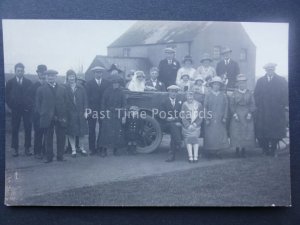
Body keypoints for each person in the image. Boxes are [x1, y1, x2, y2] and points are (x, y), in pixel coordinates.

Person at [254, 63, 288, 156]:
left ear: (274, 70)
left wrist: (281, 105)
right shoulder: (260, 81)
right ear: (265, 70)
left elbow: (285, 95)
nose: (270, 71)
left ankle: (273, 150)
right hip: (263, 111)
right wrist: (259, 105)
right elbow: (256, 95)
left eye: (271, 69)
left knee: (275, 132)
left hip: (276, 111)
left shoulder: (281, 80)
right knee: (262, 132)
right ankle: (265, 150)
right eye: (268, 70)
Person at [36, 69, 68, 163]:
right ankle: (49, 157)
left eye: (53, 76)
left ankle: (60, 156)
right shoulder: (41, 89)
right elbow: (38, 104)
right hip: (47, 117)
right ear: (46, 77)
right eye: (49, 76)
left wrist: (63, 113)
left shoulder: (62, 89)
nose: (51, 78)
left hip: (60, 117)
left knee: (61, 137)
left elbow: (66, 102)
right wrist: (42, 113)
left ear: (56, 77)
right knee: (48, 137)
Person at [5, 63, 33, 157]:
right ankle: (15, 149)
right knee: (15, 128)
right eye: (18, 70)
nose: (20, 72)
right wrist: (11, 106)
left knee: (28, 128)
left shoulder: (28, 82)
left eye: (21, 70)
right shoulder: (10, 82)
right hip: (15, 109)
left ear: (24, 71)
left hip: (26, 110)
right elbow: (6, 96)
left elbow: (32, 96)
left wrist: (29, 106)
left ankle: (27, 148)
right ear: (15, 71)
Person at [98, 74, 127, 156]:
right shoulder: (107, 91)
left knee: (117, 132)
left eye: (117, 83)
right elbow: (103, 103)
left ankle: (116, 149)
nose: (116, 84)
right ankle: (104, 150)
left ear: (119, 83)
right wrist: (103, 113)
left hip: (118, 114)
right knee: (105, 132)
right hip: (108, 113)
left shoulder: (121, 92)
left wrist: (123, 116)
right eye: (114, 83)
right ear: (112, 83)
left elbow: (124, 104)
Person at [86, 66, 110, 156]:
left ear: (102, 73)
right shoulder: (89, 84)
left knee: (103, 129)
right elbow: (87, 98)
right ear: (94, 73)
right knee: (91, 130)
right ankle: (92, 149)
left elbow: (108, 97)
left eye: (100, 72)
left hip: (103, 110)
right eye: (96, 72)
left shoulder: (107, 83)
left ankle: (101, 147)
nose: (98, 74)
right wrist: (88, 110)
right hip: (92, 110)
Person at [229, 74, 256, 157]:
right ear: (238, 84)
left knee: (246, 131)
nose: (242, 85)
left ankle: (244, 150)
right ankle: (237, 150)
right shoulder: (234, 93)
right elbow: (232, 105)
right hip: (237, 114)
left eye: (243, 83)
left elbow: (252, 104)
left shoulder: (249, 93)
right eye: (240, 83)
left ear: (245, 84)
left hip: (246, 114)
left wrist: (250, 113)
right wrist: (234, 114)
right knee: (236, 132)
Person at [203, 76, 230, 157]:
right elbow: (205, 107)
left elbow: (226, 107)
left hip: (220, 118)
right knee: (210, 135)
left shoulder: (223, 95)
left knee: (219, 134)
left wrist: (225, 117)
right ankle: (210, 152)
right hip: (210, 118)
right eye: (215, 84)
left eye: (218, 85)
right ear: (212, 85)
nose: (216, 86)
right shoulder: (208, 95)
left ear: (220, 86)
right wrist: (206, 118)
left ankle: (218, 152)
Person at [65, 70, 89, 157]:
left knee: (81, 132)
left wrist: (86, 111)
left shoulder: (81, 87)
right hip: (70, 114)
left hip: (80, 113)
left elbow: (85, 100)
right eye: (69, 76)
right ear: (67, 77)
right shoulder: (65, 87)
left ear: (75, 77)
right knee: (71, 132)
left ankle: (82, 148)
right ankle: (73, 150)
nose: (71, 78)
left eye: (73, 76)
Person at [28, 64, 47, 159]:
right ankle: (37, 152)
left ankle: (45, 150)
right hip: (37, 114)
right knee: (38, 132)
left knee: (46, 132)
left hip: (47, 113)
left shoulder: (48, 85)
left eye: (44, 72)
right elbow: (30, 99)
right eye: (40, 72)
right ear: (38, 73)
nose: (42, 74)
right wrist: (36, 108)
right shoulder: (34, 85)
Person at [160, 85, 183, 162]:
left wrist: (178, 120)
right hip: (166, 124)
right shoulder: (164, 101)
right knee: (173, 126)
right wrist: (167, 118)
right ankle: (179, 142)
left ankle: (171, 155)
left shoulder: (180, 101)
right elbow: (161, 114)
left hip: (176, 124)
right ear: (169, 92)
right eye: (172, 91)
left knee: (174, 130)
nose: (173, 93)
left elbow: (182, 114)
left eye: (175, 92)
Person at [181, 92, 203, 163]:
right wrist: (188, 125)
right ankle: (190, 157)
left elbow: (200, 117)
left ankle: (195, 157)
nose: (190, 98)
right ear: (186, 97)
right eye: (188, 96)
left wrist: (195, 124)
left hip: (196, 127)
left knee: (195, 140)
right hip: (187, 127)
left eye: (191, 96)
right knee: (188, 141)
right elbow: (183, 117)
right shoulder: (184, 105)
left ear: (194, 97)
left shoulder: (198, 104)